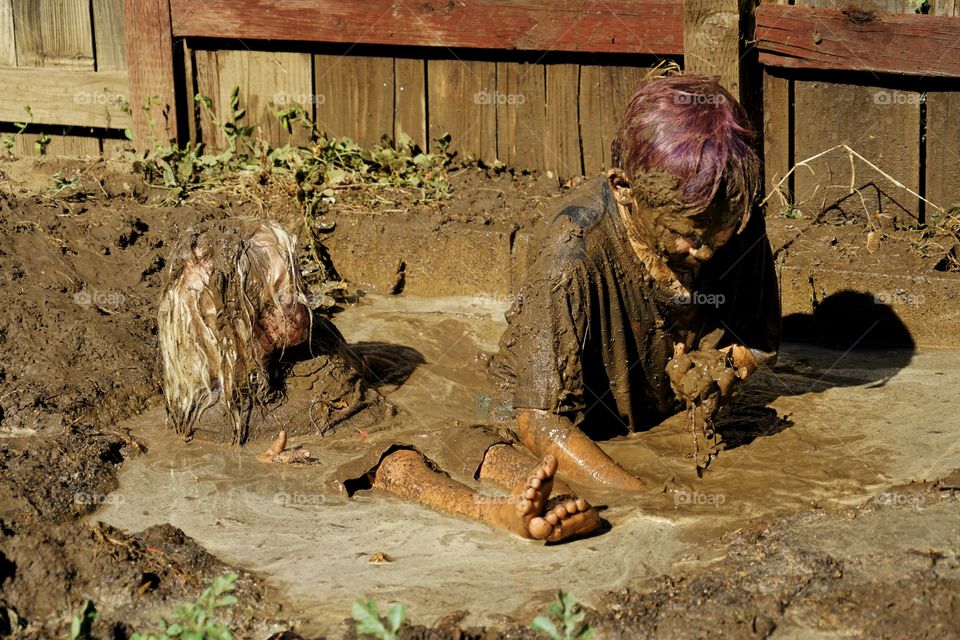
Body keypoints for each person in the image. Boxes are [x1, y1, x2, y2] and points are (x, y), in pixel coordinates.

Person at [363, 74, 780, 541]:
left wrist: (723, 365)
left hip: (648, 411)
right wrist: (641, 496)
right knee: (492, 454)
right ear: (623, 188)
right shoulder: (572, 254)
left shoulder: (732, 215)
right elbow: (540, 421)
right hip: (556, 416)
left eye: (716, 237)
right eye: (688, 234)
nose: (704, 252)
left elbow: (760, 344)